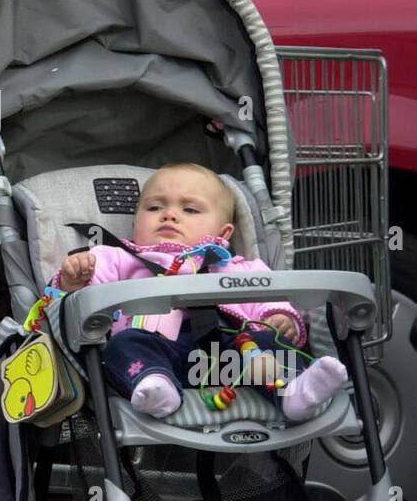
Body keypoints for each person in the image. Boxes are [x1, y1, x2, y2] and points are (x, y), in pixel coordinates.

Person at [53, 162, 347, 421]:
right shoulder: (114, 259)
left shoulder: (241, 267)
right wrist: (72, 282)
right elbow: (78, 310)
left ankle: (293, 392)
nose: (169, 215)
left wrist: (281, 317)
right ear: (135, 221)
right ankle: (155, 385)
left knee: (267, 341)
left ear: (224, 233)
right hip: (159, 353)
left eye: (189, 209)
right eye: (154, 208)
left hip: (232, 362)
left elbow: (271, 297)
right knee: (123, 344)